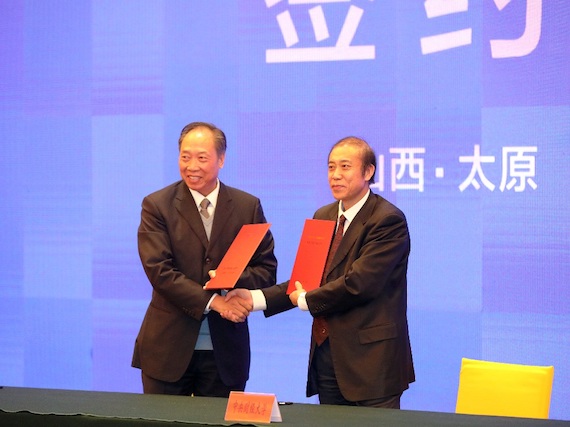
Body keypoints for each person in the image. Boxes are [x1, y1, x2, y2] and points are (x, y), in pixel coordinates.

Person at [224, 136, 414, 408]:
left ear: (368, 171)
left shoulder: (387, 219)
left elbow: (360, 284)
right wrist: (254, 299)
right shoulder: (323, 215)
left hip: (372, 363)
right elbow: (307, 278)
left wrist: (306, 300)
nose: (335, 175)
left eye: (345, 166)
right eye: (331, 167)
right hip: (327, 357)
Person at [132, 121, 277, 397]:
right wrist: (214, 302)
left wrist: (231, 279)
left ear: (221, 159)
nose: (192, 166)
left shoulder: (247, 206)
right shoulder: (157, 205)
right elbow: (159, 271)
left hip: (225, 351)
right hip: (167, 349)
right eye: (185, 157)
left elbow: (266, 270)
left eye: (201, 158)